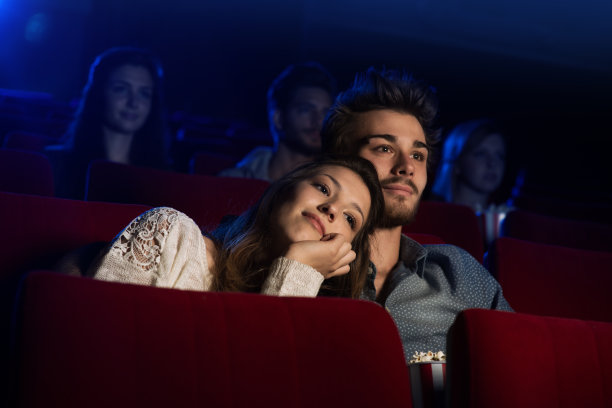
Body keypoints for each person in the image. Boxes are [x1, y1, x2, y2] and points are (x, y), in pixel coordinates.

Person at [320, 68, 513, 358]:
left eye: (418, 155)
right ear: (338, 162)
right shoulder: (295, 263)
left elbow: (519, 367)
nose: (406, 167)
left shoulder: (460, 273)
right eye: (384, 148)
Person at [92, 156, 384, 299]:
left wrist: (298, 271)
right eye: (322, 187)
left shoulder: (330, 323)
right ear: (282, 191)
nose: (332, 208)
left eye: (350, 219)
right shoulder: (172, 235)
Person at [45, 46, 170, 199]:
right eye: (121, 89)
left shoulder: (163, 177)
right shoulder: (54, 165)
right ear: (98, 94)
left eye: (144, 94)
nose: (133, 103)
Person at [219, 62, 336, 182]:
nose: (319, 120)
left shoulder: (333, 186)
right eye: (305, 110)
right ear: (278, 118)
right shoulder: (231, 181)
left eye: (325, 112)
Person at [430, 119, 508, 211]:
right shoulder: (429, 216)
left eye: (499, 156)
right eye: (481, 154)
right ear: (457, 161)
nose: (492, 163)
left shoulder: (510, 220)